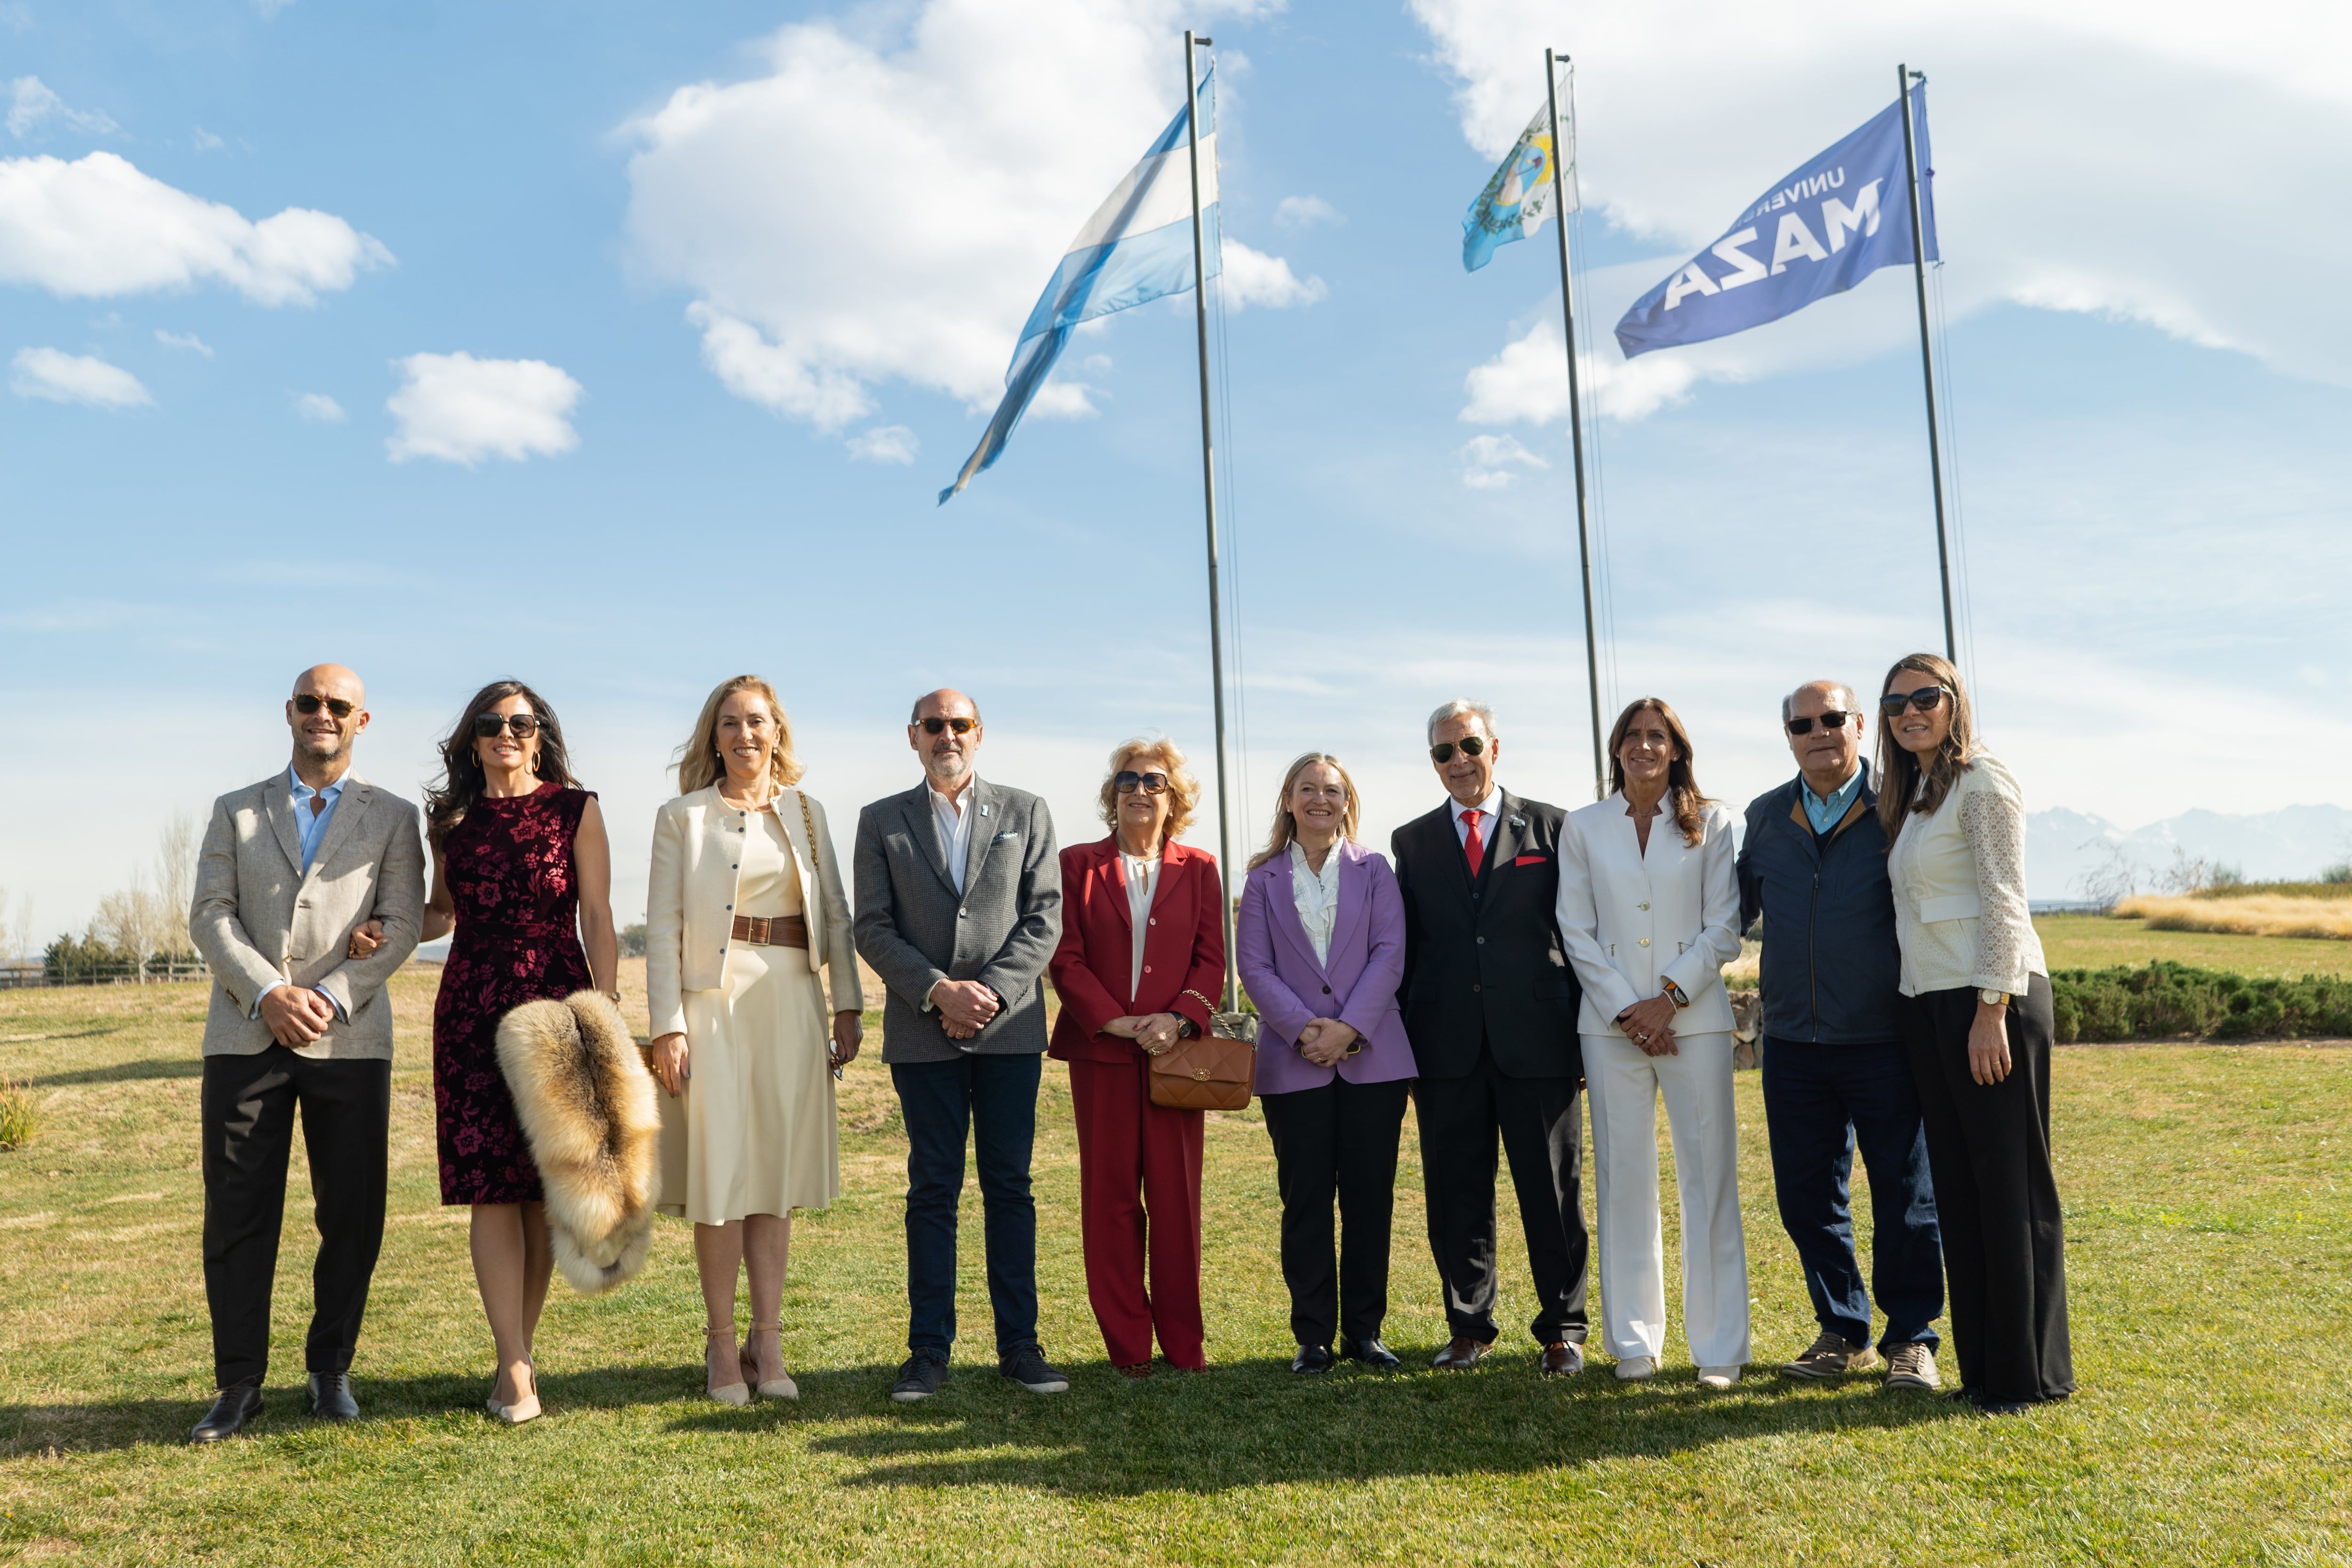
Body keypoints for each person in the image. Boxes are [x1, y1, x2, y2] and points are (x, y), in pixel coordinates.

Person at [184, 664, 425, 1441]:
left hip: (349, 1039)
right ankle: (238, 1384)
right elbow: (211, 916)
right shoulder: (235, 810)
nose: (324, 714)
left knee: (352, 1214)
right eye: (311, 702)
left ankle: (331, 1371)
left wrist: (332, 994)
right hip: (244, 1034)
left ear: (362, 720)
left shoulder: (392, 816)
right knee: (237, 1214)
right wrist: (267, 992)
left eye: (339, 705)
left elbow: (404, 922)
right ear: (289, 711)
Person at [644, 676, 863, 1405]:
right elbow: (665, 927)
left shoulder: (807, 812)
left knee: (774, 1173)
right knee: (722, 1175)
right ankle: (719, 1344)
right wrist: (667, 1025)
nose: (745, 735)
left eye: (758, 723)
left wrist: (849, 1006)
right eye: (731, 723)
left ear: (778, 733)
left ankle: (767, 1340)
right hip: (712, 1008)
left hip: (791, 1002)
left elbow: (835, 911)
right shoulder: (683, 817)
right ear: (715, 736)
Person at [853, 689, 1066, 1401]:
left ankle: (1021, 1347)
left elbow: (1044, 916)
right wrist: (940, 990)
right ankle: (927, 1352)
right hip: (923, 1032)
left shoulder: (1026, 810)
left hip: (1009, 1032)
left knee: (1010, 1186)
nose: (948, 735)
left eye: (960, 724)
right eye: (934, 725)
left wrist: (993, 994)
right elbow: (873, 927)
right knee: (932, 1189)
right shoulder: (881, 820)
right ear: (912, 736)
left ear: (980, 733)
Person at [417, 681, 618, 1424]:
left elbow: (596, 911)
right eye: (492, 723)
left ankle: (516, 1361)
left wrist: (606, 1003)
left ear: (540, 736)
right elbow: (440, 910)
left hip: (556, 1006)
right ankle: (515, 1364)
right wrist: (388, 926)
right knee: (490, 1186)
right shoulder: (450, 821)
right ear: (473, 739)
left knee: (539, 1187)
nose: (507, 732)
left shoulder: (577, 809)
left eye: (521, 722)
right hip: (469, 1007)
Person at [1877, 652, 2072, 1413]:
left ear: (1956, 701)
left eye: (1926, 697)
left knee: (2010, 1185)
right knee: (1960, 1188)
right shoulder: (1923, 792)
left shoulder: (1984, 778)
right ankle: (1984, 1369)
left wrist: (1991, 1007)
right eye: (1897, 703)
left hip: (1991, 1000)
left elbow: (2004, 898)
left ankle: (2028, 1375)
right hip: (1932, 1005)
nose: (1911, 712)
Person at [1737, 680, 1944, 1392]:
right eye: (1803, 724)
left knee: (1905, 1193)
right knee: (1804, 1195)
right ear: (1788, 736)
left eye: (1832, 719)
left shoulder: (1902, 802)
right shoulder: (1764, 815)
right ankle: (1842, 1328)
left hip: (1885, 1035)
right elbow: (1725, 910)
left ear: (1859, 724)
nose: (1818, 732)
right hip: (1792, 1041)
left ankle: (1911, 1337)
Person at [1390, 700, 1589, 1376]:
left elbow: (1580, 936)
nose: (1458, 761)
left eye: (1468, 745)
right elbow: (1405, 948)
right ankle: (1468, 1325)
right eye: (1443, 752)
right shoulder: (1411, 842)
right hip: (1445, 1046)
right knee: (1456, 1193)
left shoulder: (1556, 827)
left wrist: (1587, 1035)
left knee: (1552, 1194)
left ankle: (1562, 1329)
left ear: (1495, 747)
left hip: (1540, 1041)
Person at [1557, 698, 1749, 1387]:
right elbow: (1574, 929)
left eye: (1657, 736)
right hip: (1610, 1031)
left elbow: (1724, 926)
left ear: (1676, 748)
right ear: (1616, 748)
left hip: (1692, 1023)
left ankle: (1719, 1347)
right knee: (1623, 1180)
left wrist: (1666, 1001)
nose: (1644, 746)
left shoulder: (1716, 821)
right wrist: (1627, 1012)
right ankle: (1635, 1339)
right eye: (1633, 736)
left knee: (1710, 1181)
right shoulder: (1583, 826)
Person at [1049, 737, 1226, 1377]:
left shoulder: (1200, 868)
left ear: (1173, 796)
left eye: (1153, 780)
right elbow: (1064, 955)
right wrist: (1116, 1021)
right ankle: (1128, 1347)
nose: (1139, 790)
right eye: (1127, 780)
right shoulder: (1076, 864)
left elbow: (1212, 960)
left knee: (1178, 1204)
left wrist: (1179, 1018)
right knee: (1111, 1202)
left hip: (1177, 1057)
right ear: (1111, 794)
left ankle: (1185, 1344)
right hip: (1102, 1054)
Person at [1234, 753, 1414, 1374]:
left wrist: (1348, 1029)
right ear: (1288, 799)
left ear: (1347, 801)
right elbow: (1254, 967)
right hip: (1294, 1060)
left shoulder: (1376, 870)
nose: (1319, 798)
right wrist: (1307, 1031)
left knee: (1370, 1200)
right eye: (1307, 788)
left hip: (1374, 1060)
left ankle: (1365, 1333)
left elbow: (1390, 953)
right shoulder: (1261, 880)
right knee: (1305, 1199)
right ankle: (1313, 1336)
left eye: (1331, 790)